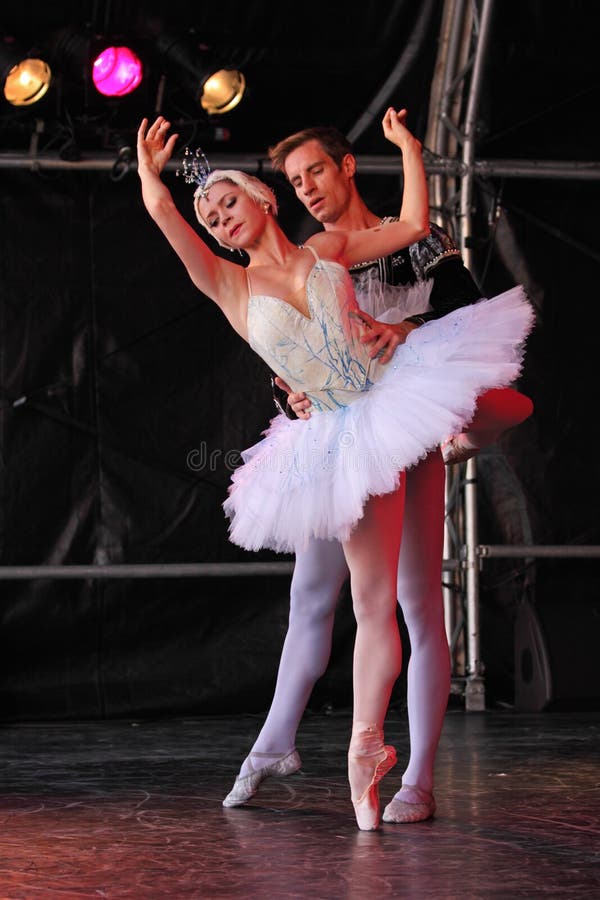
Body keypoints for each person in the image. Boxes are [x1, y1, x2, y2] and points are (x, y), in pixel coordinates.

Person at [137, 109, 534, 830]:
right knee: (361, 602)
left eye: (229, 202)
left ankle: (461, 438)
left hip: (390, 397)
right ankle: (355, 753)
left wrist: (410, 148)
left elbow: (416, 222)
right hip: (338, 436)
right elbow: (171, 224)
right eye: (210, 214)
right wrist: (154, 182)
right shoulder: (231, 286)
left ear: (262, 201)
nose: (219, 217)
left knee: (513, 405)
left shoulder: (332, 249)